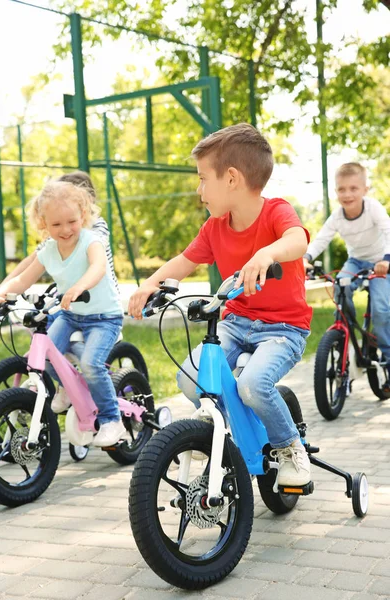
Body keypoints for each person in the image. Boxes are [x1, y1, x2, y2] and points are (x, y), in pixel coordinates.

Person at [129, 123, 313, 487]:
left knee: (252, 385)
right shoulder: (214, 228)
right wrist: (150, 284)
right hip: (235, 323)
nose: (199, 191)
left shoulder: (276, 212)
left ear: (231, 178)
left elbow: (297, 240)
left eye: (202, 179)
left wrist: (266, 253)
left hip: (283, 329)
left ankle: (290, 447)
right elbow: (182, 263)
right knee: (189, 378)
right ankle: (224, 425)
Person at [0, 180, 124, 447]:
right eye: (56, 225)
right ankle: (65, 388)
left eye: (71, 221)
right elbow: (23, 279)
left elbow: (98, 268)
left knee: (90, 364)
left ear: (83, 216)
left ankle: (111, 419)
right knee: (45, 355)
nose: (65, 230)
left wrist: (79, 286)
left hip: (104, 317)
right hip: (71, 314)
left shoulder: (91, 240)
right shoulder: (49, 250)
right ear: (43, 224)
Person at [303, 162, 390, 388]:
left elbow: (388, 230)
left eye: (353, 188)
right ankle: (344, 331)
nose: (347, 194)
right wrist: (306, 258)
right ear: (336, 192)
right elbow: (322, 238)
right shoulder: (338, 217)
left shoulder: (373, 208)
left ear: (365, 190)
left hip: (380, 262)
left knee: (381, 311)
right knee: (341, 288)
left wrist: (386, 260)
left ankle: (389, 361)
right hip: (355, 261)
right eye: (342, 189)